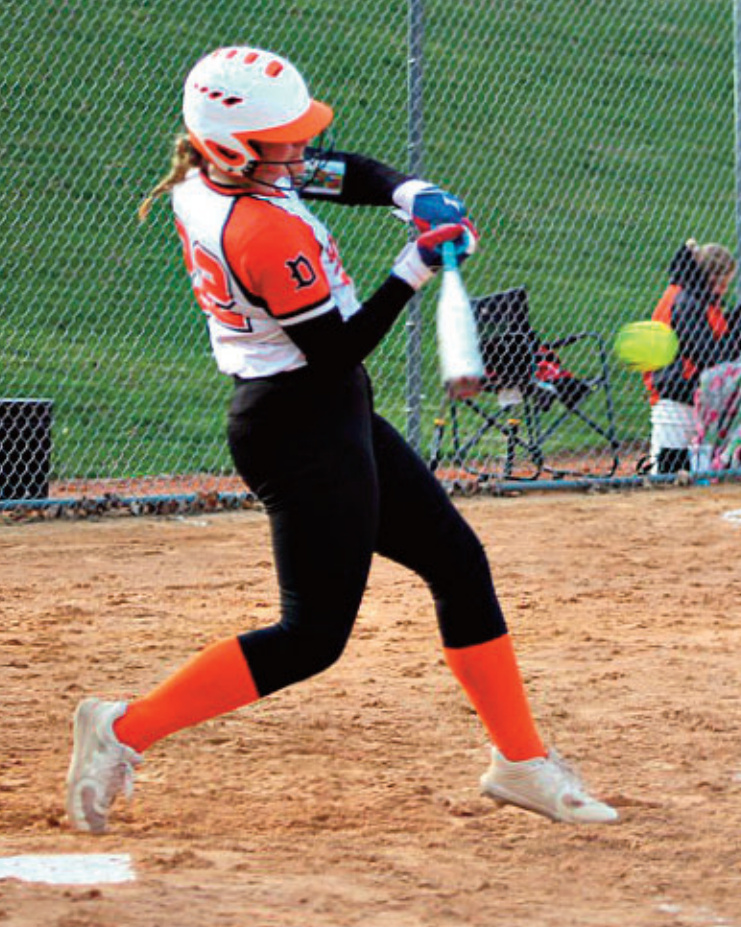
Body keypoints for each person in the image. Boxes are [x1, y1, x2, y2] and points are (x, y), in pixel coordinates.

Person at [65, 45, 618, 833]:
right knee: (311, 637)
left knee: (458, 563)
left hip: (326, 411)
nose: (299, 148)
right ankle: (121, 728)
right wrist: (412, 268)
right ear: (234, 146)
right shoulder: (256, 227)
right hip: (297, 424)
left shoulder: (220, 173)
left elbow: (340, 171)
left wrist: (411, 192)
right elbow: (334, 350)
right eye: (282, 138)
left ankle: (519, 761)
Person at [645, 239, 741, 473]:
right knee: (669, 475)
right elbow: (710, 356)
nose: (724, 290)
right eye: (723, 284)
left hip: (694, 396)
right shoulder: (685, 301)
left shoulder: (697, 297)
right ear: (711, 279)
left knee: (699, 473)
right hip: (677, 396)